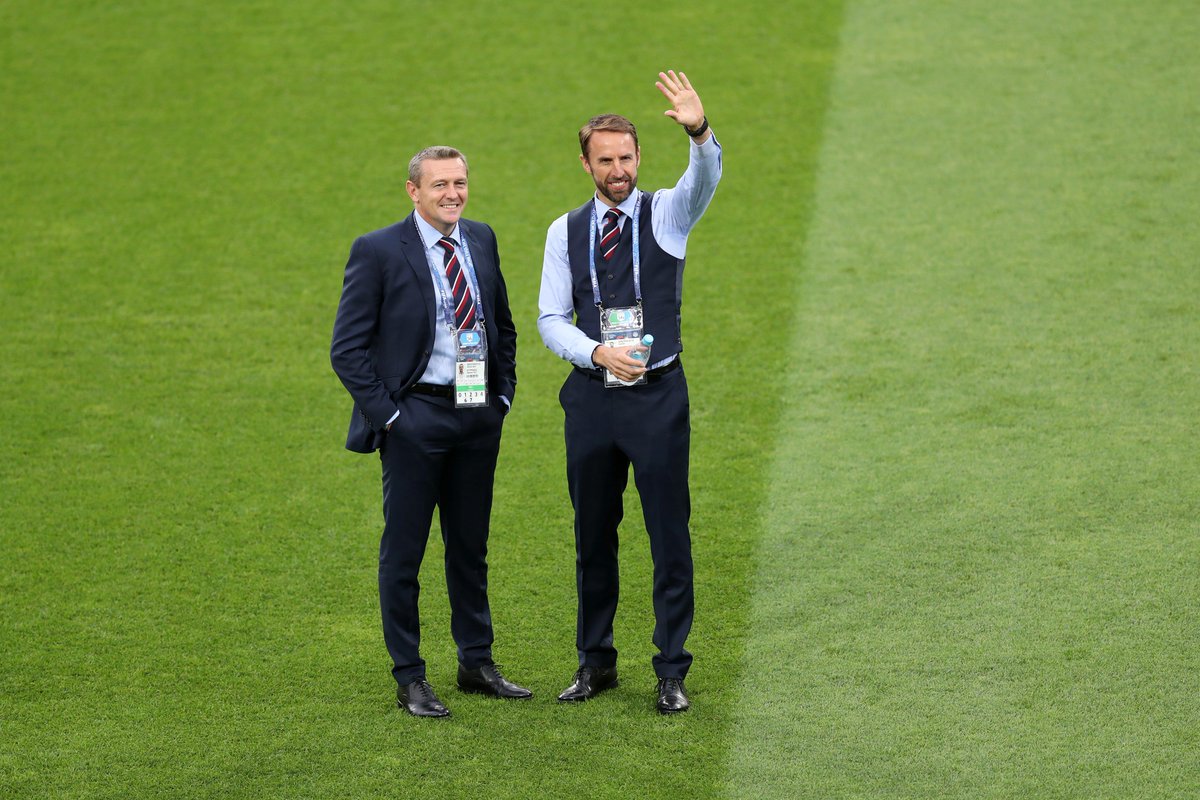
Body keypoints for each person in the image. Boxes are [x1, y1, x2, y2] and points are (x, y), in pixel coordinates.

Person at [537, 71, 722, 714]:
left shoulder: (667, 213)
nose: (618, 170)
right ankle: (595, 665)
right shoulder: (564, 231)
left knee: (670, 534)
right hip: (591, 398)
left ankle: (671, 670)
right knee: (594, 535)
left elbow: (705, 182)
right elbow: (550, 317)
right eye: (605, 160)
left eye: (626, 158)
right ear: (586, 162)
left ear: (640, 158)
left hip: (657, 398)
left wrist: (699, 132)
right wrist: (594, 352)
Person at [331, 145, 529, 718]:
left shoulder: (482, 237)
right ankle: (410, 676)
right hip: (414, 419)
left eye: (460, 183)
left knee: (470, 547)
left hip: (475, 416)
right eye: (440, 185)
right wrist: (392, 418)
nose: (452, 194)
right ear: (413, 191)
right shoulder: (377, 250)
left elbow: (502, 324)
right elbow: (347, 351)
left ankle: (476, 662)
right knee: (405, 554)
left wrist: (502, 396)